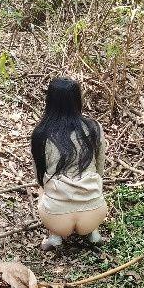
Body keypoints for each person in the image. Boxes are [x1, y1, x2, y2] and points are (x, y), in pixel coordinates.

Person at [31, 76, 108, 251]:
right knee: (93, 181)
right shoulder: (94, 128)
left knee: (43, 188)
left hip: (56, 218)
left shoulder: (41, 133)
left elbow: (39, 178)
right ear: (77, 100)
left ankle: (55, 237)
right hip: (95, 213)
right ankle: (93, 233)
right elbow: (99, 170)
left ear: (49, 101)